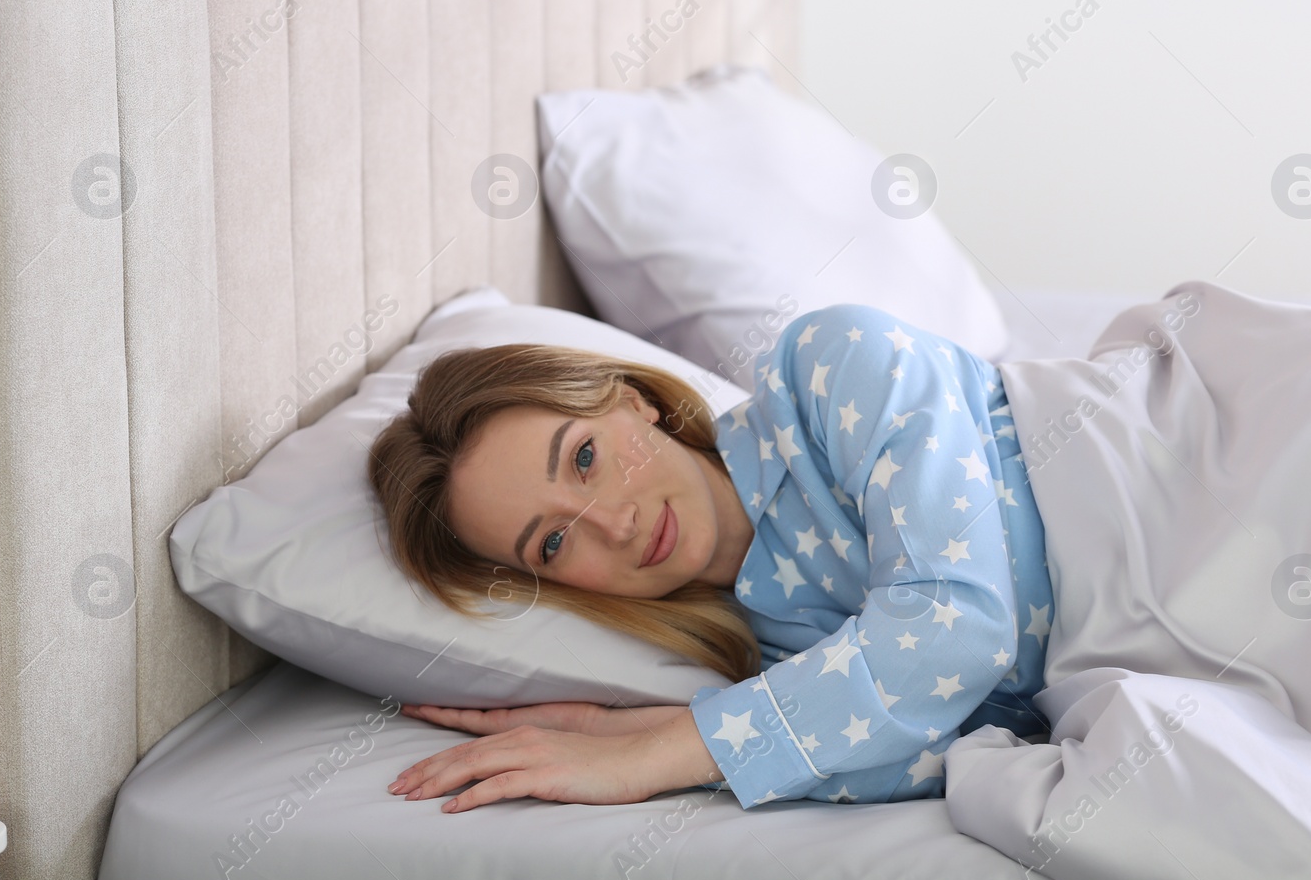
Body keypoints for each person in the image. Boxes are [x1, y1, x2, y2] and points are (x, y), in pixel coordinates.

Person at [369, 304, 1053, 814]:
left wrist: (646, 756)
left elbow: (956, 629)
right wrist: (608, 727)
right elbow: (953, 751)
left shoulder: (833, 365)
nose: (614, 522)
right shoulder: (779, 657)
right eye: (552, 542)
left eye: (585, 458)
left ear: (633, 402)